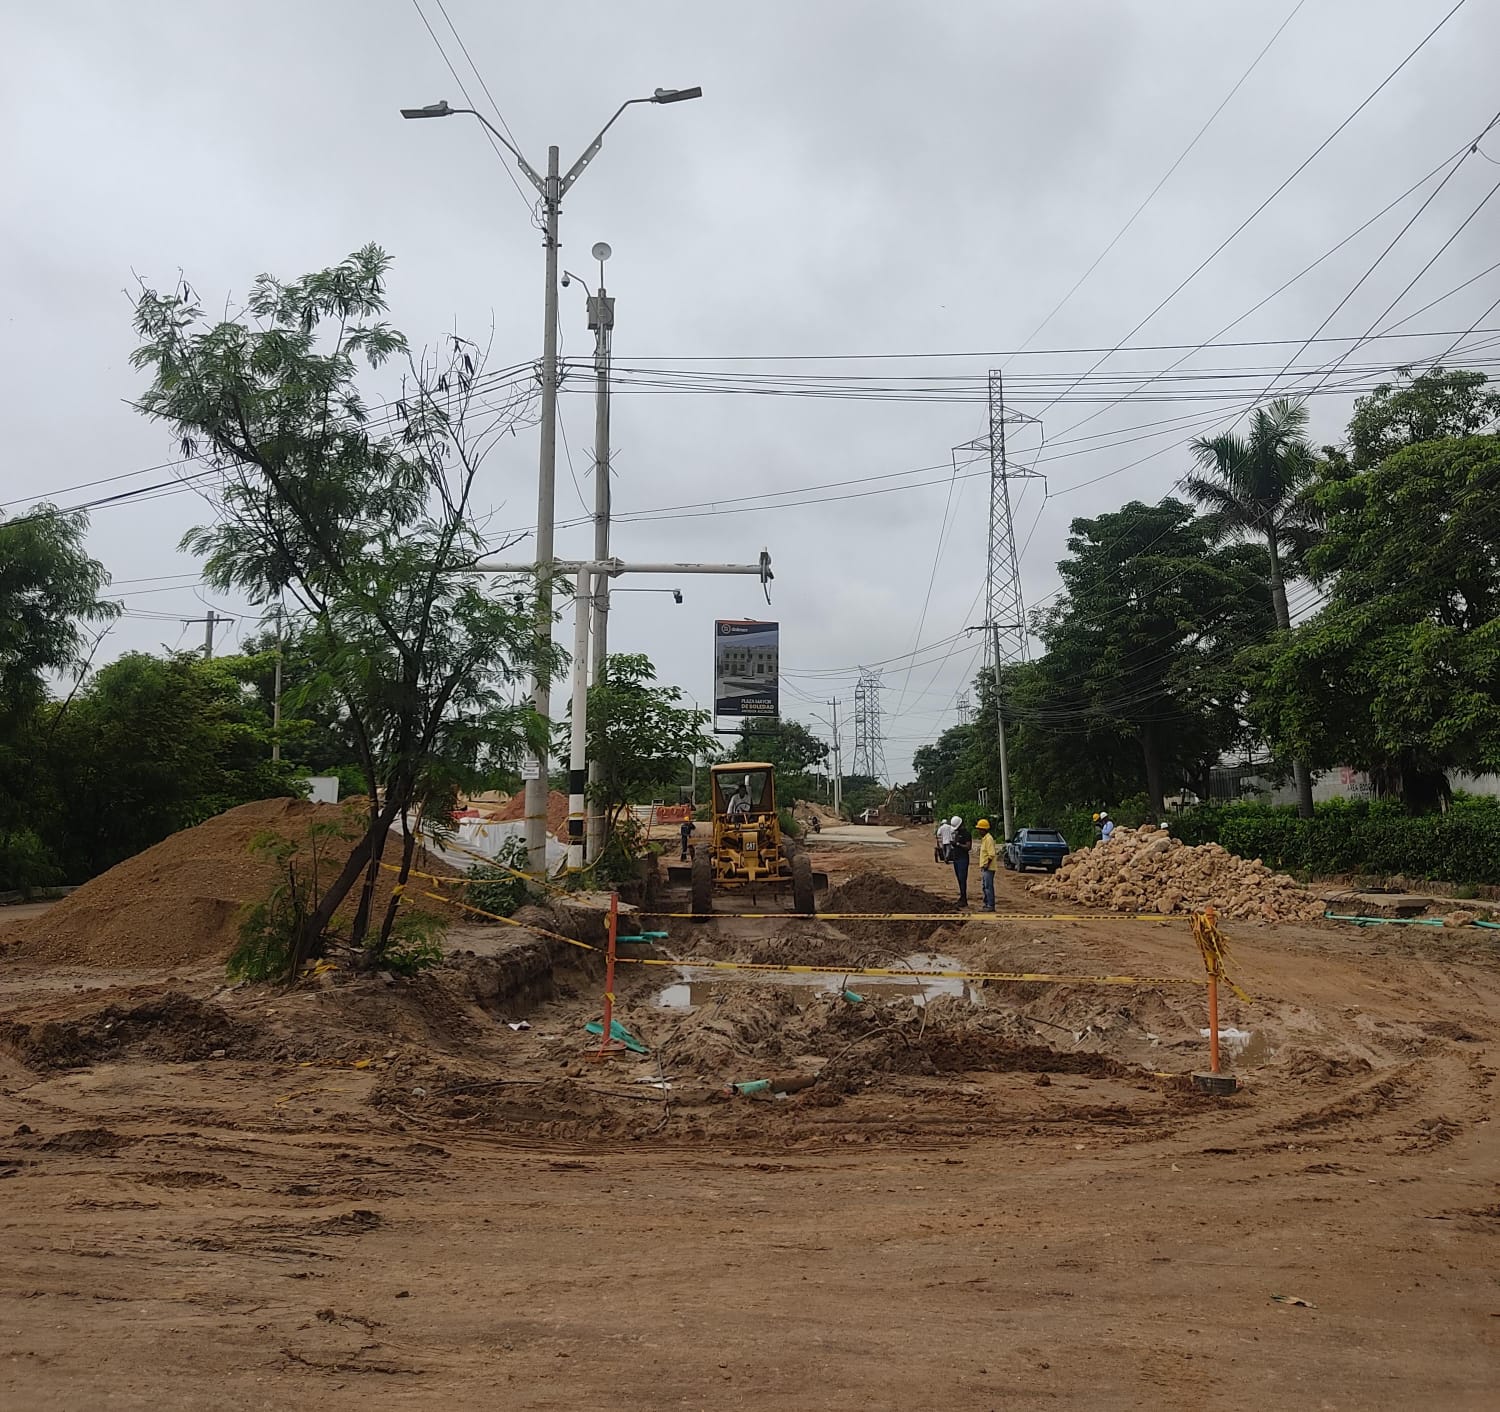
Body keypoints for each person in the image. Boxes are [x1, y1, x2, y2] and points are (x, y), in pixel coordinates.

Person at [975, 817, 997, 912]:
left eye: (980, 829)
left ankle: (990, 905)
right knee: (985, 886)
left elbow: (991, 854)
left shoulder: (989, 839)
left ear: (984, 829)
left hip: (988, 868)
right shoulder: (985, 839)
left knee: (988, 886)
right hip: (985, 868)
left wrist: (986, 864)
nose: (979, 831)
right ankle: (987, 903)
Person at [949, 816, 972, 906]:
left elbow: (968, 847)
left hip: (963, 859)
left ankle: (964, 898)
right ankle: (962, 897)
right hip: (957, 858)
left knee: (962, 879)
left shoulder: (966, 834)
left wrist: (958, 844)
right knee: (959, 879)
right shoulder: (957, 833)